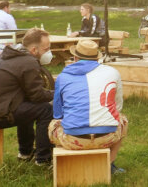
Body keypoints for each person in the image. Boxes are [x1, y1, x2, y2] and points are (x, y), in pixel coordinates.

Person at [0, 28, 56, 165]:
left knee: (28, 107)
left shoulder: (8, 55)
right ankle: (43, 158)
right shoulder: (28, 62)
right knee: (46, 109)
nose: (49, 52)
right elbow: (37, 96)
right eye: (46, 49)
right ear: (33, 50)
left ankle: (25, 153)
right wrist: (58, 93)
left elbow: (30, 95)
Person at [51, 40, 128, 174]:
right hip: (107, 137)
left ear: (75, 57)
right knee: (123, 120)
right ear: (97, 58)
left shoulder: (62, 77)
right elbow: (118, 106)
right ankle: (109, 163)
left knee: (54, 124)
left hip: (72, 140)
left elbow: (57, 113)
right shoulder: (112, 72)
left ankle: (64, 165)